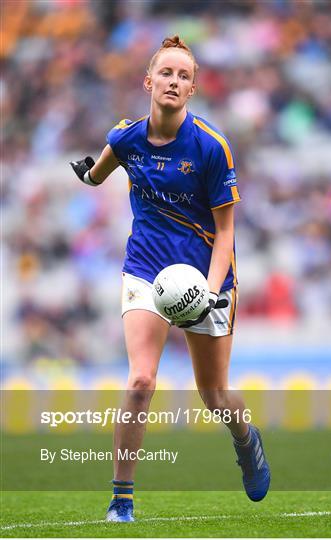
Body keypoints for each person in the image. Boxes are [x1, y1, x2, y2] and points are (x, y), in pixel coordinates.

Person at [70, 35, 270, 522]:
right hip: (145, 268)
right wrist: (89, 178)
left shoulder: (210, 146)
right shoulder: (126, 138)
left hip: (205, 275)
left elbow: (226, 233)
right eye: (166, 73)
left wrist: (208, 289)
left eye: (184, 76)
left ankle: (246, 440)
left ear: (193, 89)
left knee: (214, 396)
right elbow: (99, 172)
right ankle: (122, 500)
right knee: (141, 379)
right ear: (148, 81)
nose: (174, 81)